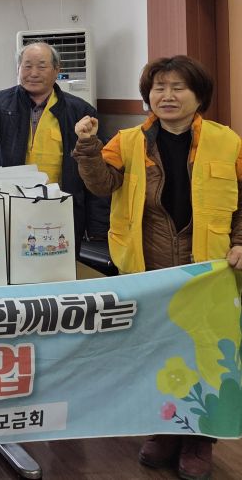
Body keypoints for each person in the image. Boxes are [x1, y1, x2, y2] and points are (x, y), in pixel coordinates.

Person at [72, 55, 242, 480]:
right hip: (147, 266)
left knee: (206, 350)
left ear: (199, 96)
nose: (167, 95)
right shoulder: (128, 140)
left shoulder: (228, 142)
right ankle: (164, 427)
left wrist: (241, 241)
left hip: (208, 267)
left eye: (178, 87)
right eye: (159, 88)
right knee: (153, 347)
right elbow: (100, 184)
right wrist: (88, 145)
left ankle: (200, 437)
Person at [0, 42, 108, 250]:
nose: (33, 73)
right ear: (18, 69)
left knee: (59, 263)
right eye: (27, 66)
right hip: (12, 204)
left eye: (42, 66)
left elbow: (96, 167)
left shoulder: (80, 110)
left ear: (57, 70)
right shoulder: (1, 101)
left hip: (62, 205)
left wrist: (98, 228)